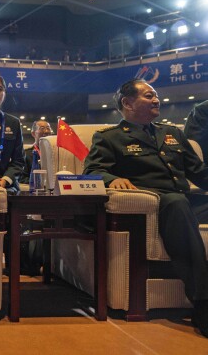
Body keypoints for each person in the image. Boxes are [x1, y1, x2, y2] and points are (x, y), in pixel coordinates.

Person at [84, 78, 208, 338]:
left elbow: (199, 173)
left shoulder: (172, 133)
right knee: (177, 203)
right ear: (128, 103)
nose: (156, 100)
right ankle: (203, 304)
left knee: (182, 203)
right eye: (149, 96)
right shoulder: (110, 138)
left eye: (156, 96)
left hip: (186, 202)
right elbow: (93, 171)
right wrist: (112, 179)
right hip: (157, 204)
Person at [20, 120, 53, 185]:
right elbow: (22, 178)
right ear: (33, 133)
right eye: (42, 128)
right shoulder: (25, 154)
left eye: (48, 128)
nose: (46, 131)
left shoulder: (55, 153)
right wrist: (40, 182)